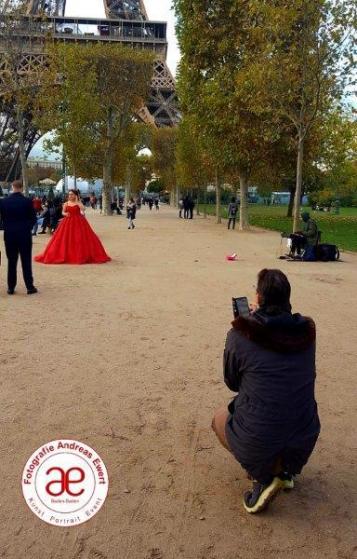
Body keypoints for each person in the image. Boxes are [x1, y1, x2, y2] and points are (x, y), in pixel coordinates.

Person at [212, 269, 320, 514]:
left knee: (220, 418)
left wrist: (246, 323)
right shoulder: (308, 331)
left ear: (258, 297)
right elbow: (281, 331)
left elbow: (233, 382)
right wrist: (259, 318)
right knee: (284, 406)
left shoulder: (240, 333)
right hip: (304, 437)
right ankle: (286, 470)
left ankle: (263, 478)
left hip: (260, 439)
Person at [35, 189, 111, 264]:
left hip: (79, 221)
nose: (70, 196)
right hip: (67, 221)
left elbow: (83, 209)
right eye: (69, 194)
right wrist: (65, 214)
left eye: (72, 194)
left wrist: (78, 202)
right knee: (64, 238)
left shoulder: (78, 202)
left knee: (80, 238)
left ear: (75, 195)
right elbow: (63, 212)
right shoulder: (66, 203)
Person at [0, 180, 38, 295]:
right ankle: (29, 287)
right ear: (22, 188)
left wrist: (6, 226)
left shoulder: (4, 202)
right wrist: (27, 227)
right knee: (26, 261)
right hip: (24, 234)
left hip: (10, 234)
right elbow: (33, 219)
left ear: (12, 187)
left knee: (12, 261)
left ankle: (11, 287)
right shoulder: (27, 201)